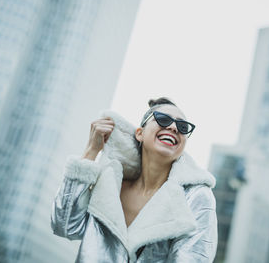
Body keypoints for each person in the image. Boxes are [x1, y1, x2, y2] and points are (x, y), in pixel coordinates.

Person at [51, 97, 218, 262]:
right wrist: (92, 150)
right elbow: (65, 226)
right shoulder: (109, 185)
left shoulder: (196, 197)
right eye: (163, 119)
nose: (174, 127)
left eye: (183, 127)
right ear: (140, 133)